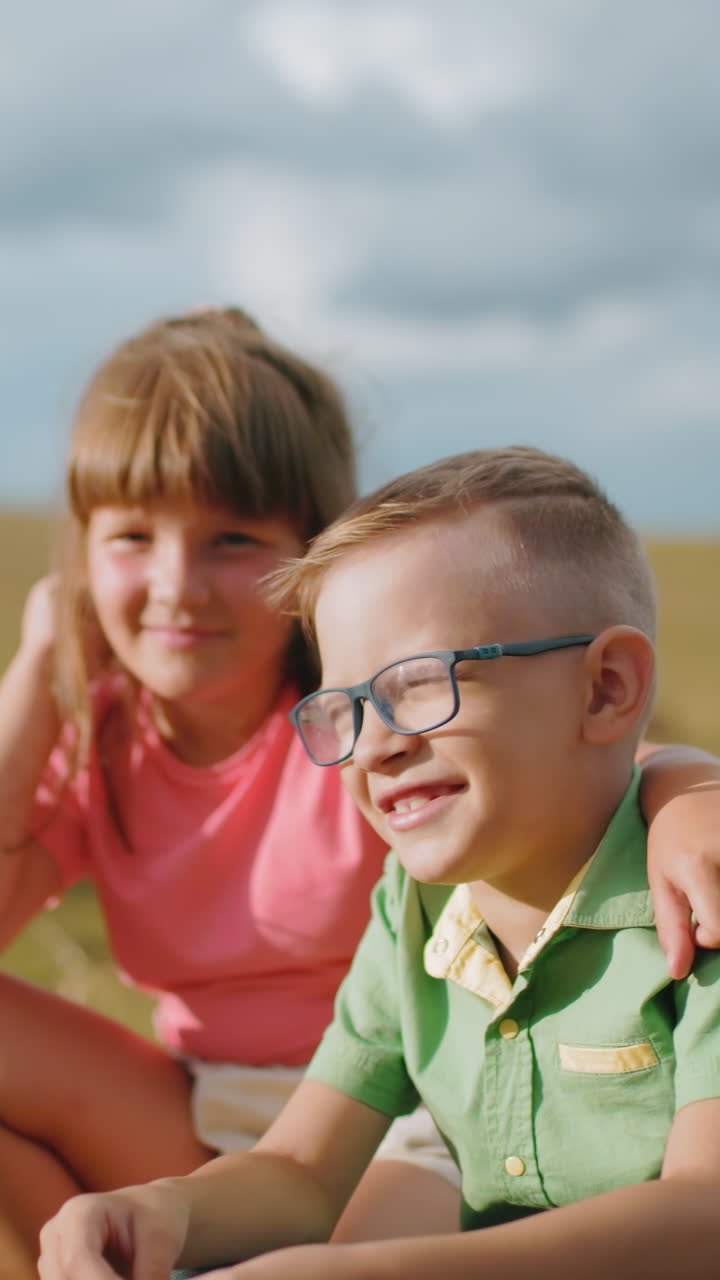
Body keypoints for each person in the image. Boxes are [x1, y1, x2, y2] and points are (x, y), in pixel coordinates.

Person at [37, 445, 720, 1279]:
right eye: (342, 707)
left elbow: (704, 1216)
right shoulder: (417, 911)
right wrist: (160, 1209)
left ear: (607, 688)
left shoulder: (698, 900)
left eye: (420, 681)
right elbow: (300, 1173)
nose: (375, 747)